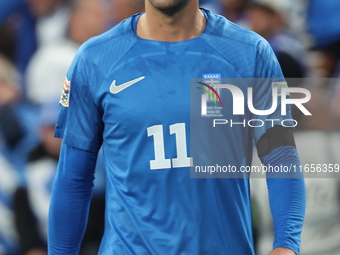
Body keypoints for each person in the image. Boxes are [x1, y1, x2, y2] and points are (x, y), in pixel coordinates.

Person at [48, 0, 306, 254]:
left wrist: (286, 245)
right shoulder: (94, 59)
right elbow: (73, 178)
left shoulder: (250, 52)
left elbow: (281, 156)